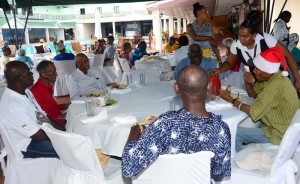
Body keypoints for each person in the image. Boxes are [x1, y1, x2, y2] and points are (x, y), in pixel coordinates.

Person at [122, 65, 231, 182]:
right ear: (209, 86)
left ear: (176, 88)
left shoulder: (163, 124)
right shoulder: (221, 129)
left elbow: (128, 167)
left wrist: (135, 130)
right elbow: (220, 174)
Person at [219, 47, 298, 152]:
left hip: (278, 133)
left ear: (268, 71)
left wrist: (231, 100)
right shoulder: (273, 77)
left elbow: (253, 112)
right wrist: (247, 82)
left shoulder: (276, 86)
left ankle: (239, 161)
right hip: (273, 123)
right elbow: (253, 94)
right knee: (244, 123)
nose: (254, 71)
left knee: (233, 133)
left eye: (258, 69)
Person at [214, 10, 300, 92]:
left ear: (254, 35)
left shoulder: (265, 39)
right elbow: (229, 63)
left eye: (245, 36)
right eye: (239, 35)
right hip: (259, 81)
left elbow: (288, 56)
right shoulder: (236, 45)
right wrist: (219, 70)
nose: (240, 39)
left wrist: (297, 79)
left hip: (276, 78)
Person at [0, 61, 59, 158]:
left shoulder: (26, 92)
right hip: (26, 145)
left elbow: (39, 115)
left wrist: (58, 129)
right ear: (18, 78)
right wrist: (59, 136)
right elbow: (38, 136)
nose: (32, 74)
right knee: (67, 150)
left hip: (38, 135)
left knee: (70, 141)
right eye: (28, 72)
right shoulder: (13, 106)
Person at [30, 61, 70, 125]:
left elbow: (52, 105)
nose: (56, 74)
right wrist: (61, 118)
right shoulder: (36, 91)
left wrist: (65, 106)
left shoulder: (47, 86)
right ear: (44, 75)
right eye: (54, 72)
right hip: (53, 125)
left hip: (58, 118)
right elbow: (40, 116)